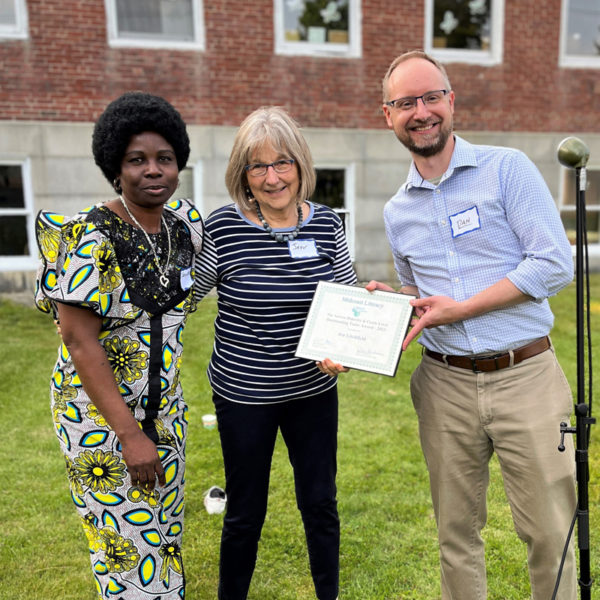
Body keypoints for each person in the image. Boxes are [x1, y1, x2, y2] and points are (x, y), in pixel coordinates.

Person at [369, 50, 577, 599]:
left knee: (550, 530)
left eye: (431, 96)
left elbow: (554, 263)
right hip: (444, 385)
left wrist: (463, 309)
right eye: (405, 102)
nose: (422, 112)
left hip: (525, 375)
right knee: (455, 533)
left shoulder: (506, 169)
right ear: (386, 115)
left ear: (451, 100)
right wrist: (393, 302)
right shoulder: (397, 211)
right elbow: (420, 293)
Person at [34, 91, 205, 599]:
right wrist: (129, 435)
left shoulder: (183, 225)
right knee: (125, 546)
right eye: (137, 160)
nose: (153, 170)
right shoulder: (90, 236)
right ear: (115, 168)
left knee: (163, 532)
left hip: (166, 408)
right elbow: (79, 341)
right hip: (100, 420)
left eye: (164, 158)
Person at [193, 106, 356, 600]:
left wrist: (343, 348)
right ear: (242, 174)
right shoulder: (223, 228)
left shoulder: (327, 223)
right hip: (244, 396)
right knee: (245, 511)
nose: (272, 177)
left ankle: (328, 594)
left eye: (282, 162)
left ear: (301, 164)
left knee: (320, 503)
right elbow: (189, 296)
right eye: (257, 166)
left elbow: (344, 301)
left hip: (312, 391)